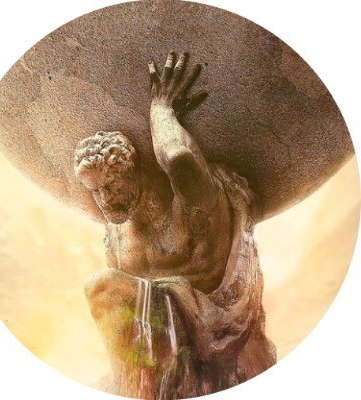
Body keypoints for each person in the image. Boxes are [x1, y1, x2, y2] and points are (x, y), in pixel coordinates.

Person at [74, 52, 275, 395]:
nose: (105, 199)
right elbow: (126, 329)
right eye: (96, 191)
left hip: (214, 326)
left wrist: (160, 111)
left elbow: (180, 158)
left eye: (112, 185)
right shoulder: (117, 235)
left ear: (134, 170)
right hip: (160, 354)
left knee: (101, 286)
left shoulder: (194, 205)